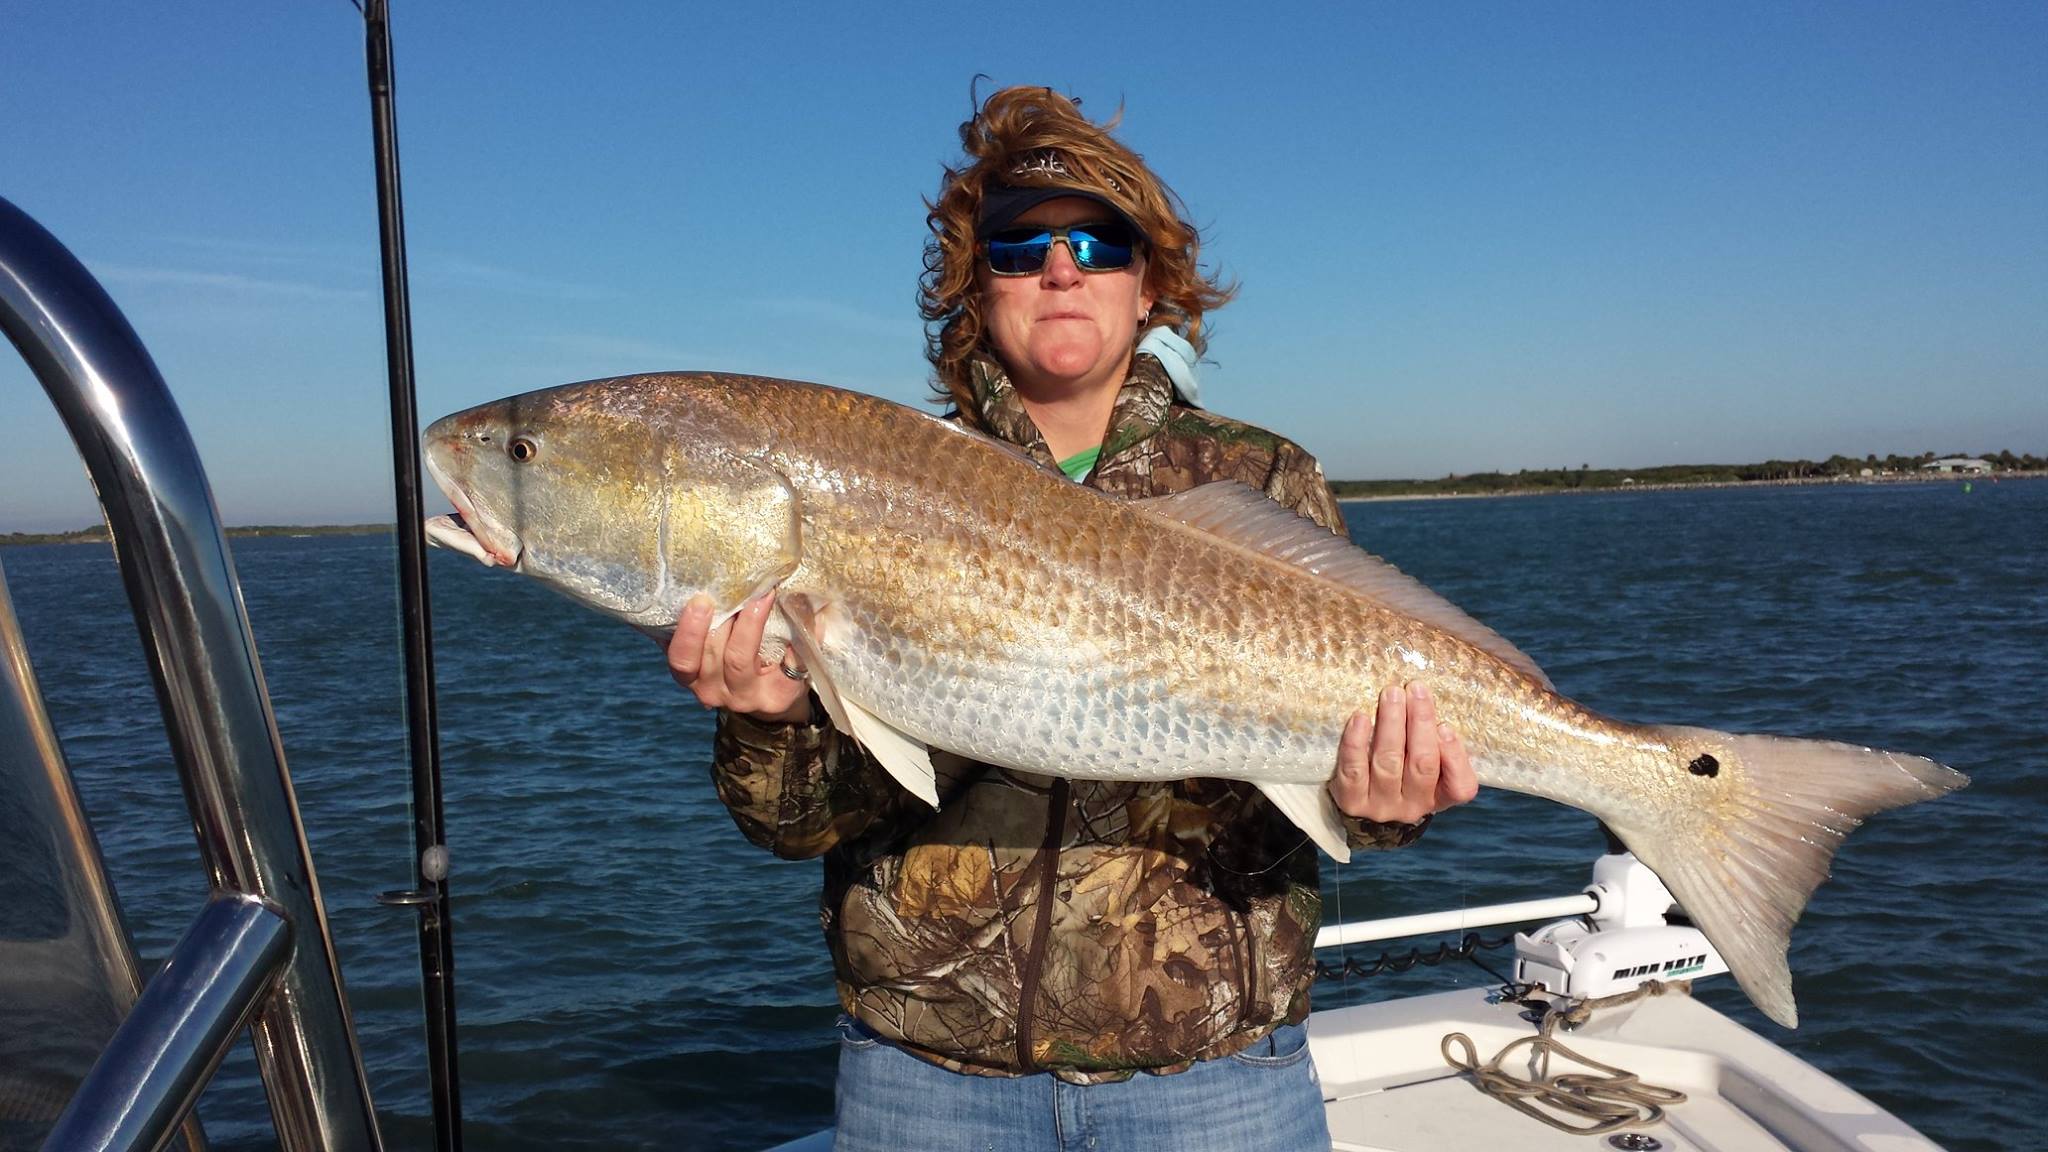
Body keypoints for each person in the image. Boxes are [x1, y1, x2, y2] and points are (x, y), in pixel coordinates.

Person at [665, 86, 1476, 1151]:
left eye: (1099, 242)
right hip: (926, 1075)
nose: (1061, 268)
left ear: (1150, 287)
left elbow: (1358, 799)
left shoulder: (1261, 477)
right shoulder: (870, 480)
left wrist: (1390, 800)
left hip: (1212, 1076)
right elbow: (795, 828)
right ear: (974, 286)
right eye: (1018, 245)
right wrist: (764, 719)